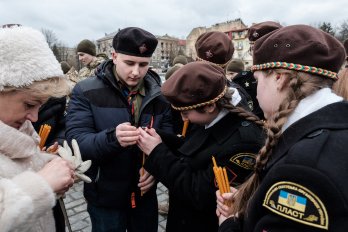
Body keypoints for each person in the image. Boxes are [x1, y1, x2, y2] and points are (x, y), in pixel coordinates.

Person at [216, 25, 348, 232]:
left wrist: (229, 224)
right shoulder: (334, 129)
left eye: (257, 80)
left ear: (280, 78)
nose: (256, 92)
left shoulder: (303, 170)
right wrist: (257, 205)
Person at [66, 27, 174, 232]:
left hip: (145, 196)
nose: (136, 72)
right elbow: (76, 142)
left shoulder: (160, 95)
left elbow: (168, 138)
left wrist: (155, 168)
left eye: (143, 65)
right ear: (114, 57)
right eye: (129, 63)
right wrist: (112, 138)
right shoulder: (85, 90)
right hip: (105, 197)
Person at [137, 62, 265, 232]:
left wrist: (156, 152)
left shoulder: (244, 143)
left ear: (210, 106)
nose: (184, 119)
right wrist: (159, 137)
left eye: (186, 113)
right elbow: (193, 149)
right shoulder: (212, 116)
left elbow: (198, 192)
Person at [0, 25, 75, 231]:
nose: (34, 117)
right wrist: (43, 184)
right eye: (29, 104)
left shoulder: (19, 128)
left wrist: (49, 166)